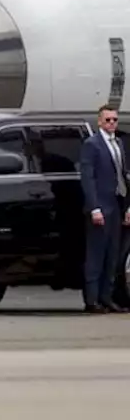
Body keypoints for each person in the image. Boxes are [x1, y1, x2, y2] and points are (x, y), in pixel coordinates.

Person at [79, 104, 130, 313]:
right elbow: (88, 178)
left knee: (113, 254)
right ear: (99, 121)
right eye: (107, 120)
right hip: (101, 206)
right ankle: (92, 300)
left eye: (114, 120)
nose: (111, 123)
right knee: (96, 254)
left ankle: (106, 297)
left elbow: (123, 175)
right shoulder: (92, 144)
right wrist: (94, 208)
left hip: (117, 204)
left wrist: (127, 206)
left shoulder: (118, 143)